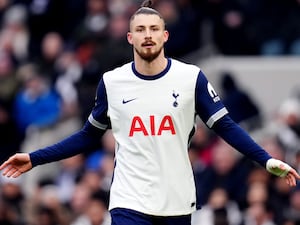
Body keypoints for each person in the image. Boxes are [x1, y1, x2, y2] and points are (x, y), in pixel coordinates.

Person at [0, 1, 300, 225]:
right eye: (140, 30)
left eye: (154, 29)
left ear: (165, 36)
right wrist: (35, 158)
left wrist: (267, 159)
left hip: (176, 200)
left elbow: (226, 127)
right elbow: (88, 137)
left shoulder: (190, 78)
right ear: (130, 38)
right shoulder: (112, 83)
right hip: (128, 201)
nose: (147, 35)